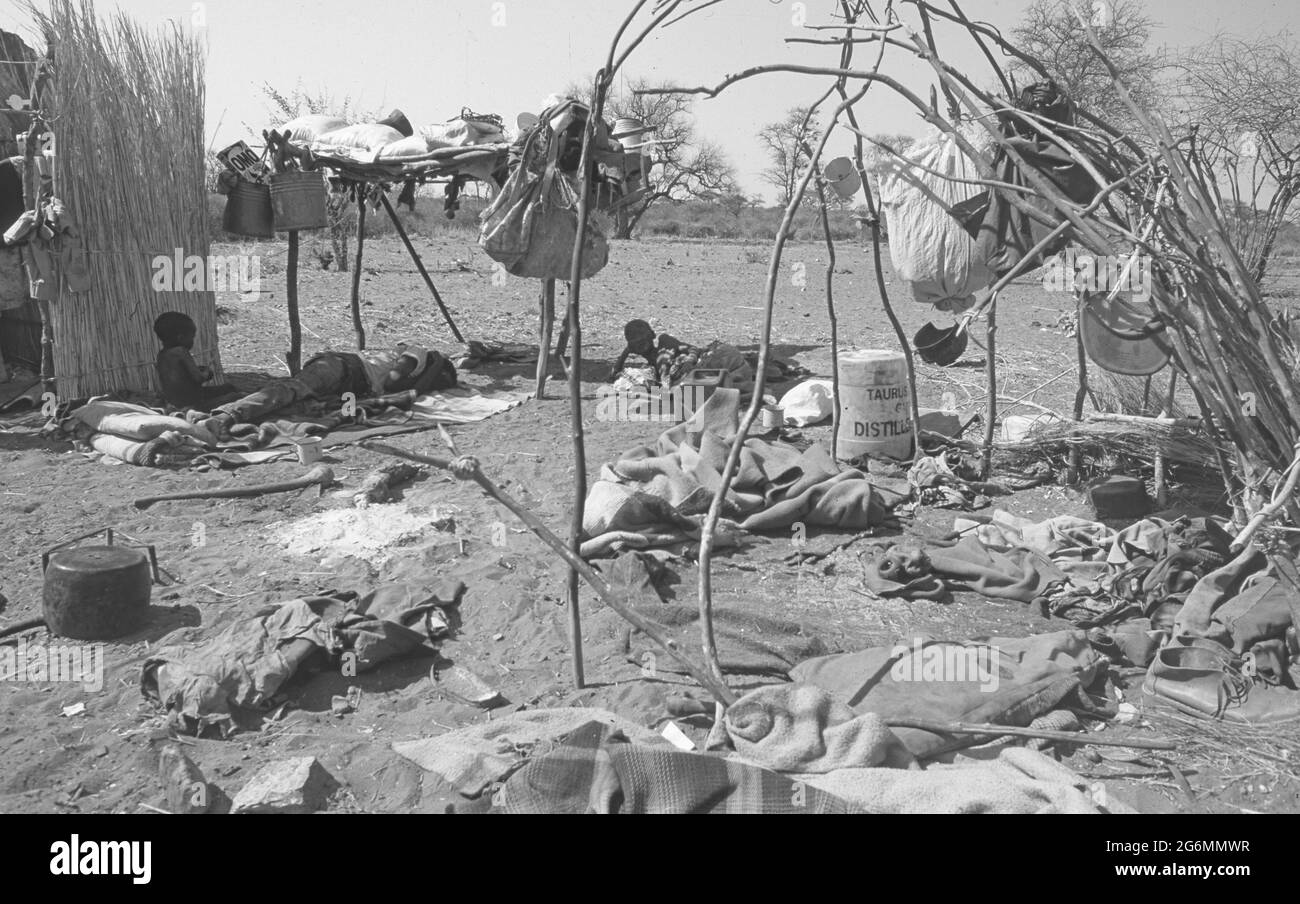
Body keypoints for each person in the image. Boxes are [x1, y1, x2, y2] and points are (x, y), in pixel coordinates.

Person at [197, 342, 456, 438]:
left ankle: (227, 407)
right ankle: (226, 415)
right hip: (341, 369)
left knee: (293, 404)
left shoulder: (419, 370)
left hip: (349, 385)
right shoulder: (418, 354)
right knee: (290, 390)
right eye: (438, 382)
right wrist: (435, 364)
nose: (432, 388)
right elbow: (393, 381)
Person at [609, 318, 754, 396]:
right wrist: (625, 352)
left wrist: (689, 361)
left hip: (713, 358)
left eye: (644, 338)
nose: (641, 344)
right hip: (695, 376)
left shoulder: (664, 342)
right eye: (636, 343)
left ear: (652, 335)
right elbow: (614, 374)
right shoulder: (652, 368)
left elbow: (693, 349)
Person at [154, 311, 239, 410]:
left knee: (223, 390)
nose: (193, 341)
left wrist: (197, 369)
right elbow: (199, 378)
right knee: (232, 392)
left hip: (174, 402)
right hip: (193, 403)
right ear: (181, 337)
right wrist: (207, 372)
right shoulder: (181, 352)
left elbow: (178, 377)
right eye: (192, 337)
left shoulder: (161, 355)